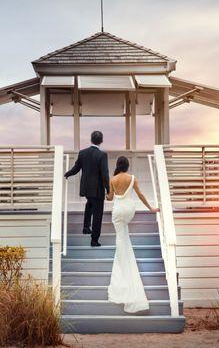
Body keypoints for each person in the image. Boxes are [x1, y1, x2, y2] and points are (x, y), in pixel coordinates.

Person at [106, 155, 159, 313]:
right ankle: (124, 252)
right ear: (127, 166)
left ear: (117, 165)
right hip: (129, 210)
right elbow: (140, 195)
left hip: (118, 210)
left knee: (120, 238)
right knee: (124, 234)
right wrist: (151, 208)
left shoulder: (112, 179)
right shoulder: (133, 178)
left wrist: (105, 192)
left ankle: (122, 263)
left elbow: (109, 198)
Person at [64, 131, 109, 247]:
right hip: (97, 189)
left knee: (89, 204)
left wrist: (67, 174)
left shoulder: (82, 153)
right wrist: (108, 189)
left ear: (91, 139)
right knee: (97, 214)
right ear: (101, 141)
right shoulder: (102, 155)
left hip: (86, 188)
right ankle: (94, 240)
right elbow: (104, 174)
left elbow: (76, 168)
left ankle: (85, 227)